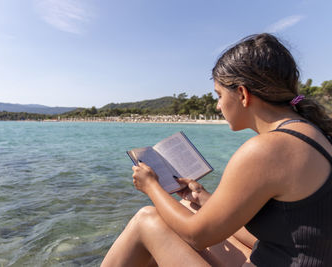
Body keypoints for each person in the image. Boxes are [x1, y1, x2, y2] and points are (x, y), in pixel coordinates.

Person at [101, 33, 332, 267]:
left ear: (242, 94)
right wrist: (203, 198)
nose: (218, 105)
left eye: (219, 95)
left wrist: (150, 186)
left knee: (146, 220)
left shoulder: (267, 150)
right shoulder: (313, 133)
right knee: (186, 207)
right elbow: (290, 234)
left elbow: (197, 237)